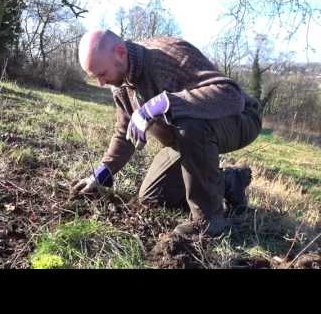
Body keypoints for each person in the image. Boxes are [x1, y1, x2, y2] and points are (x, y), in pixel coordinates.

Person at [70, 29, 262, 238]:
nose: (101, 83)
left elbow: (231, 96)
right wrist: (103, 173)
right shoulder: (119, 83)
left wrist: (165, 103)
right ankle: (230, 181)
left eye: (102, 74)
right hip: (182, 138)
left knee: (191, 125)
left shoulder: (169, 55)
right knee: (153, 197)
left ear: (120, 52)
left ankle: (208, 221)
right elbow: (125, 130)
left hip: (239, 118)